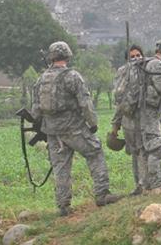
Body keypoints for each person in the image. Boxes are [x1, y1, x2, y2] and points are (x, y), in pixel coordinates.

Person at [32, 41, 122, 216]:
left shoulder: (41, 79)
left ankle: (63, 206)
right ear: (67, 56)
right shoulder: (73, 76)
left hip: (53, 133)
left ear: (51, 57)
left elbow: (36, 110)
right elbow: (85, 103)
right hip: (74, 129)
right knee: (95, 153)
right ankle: (102, 194)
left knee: (61, 168)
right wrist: (93, 123)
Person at [111, 39, 161, 193]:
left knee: (140, 152)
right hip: (148, 117)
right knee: (156, 148)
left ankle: (143, 186)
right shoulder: (155, 64)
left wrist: (115, 125)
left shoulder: (135, 67)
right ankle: (157, 185)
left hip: (131, 119)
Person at [109, 44, 147, 195]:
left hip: (144, 119)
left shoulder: (147, 71)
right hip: (129, 120)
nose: (137, 58)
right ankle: (139, 185)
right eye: (132, 56)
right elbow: (119, 102)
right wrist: (115, 125)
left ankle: (147, 184)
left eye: (138, 55)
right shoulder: (123, 75)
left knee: (145, 151)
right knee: (135, 152)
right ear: (127, 59)